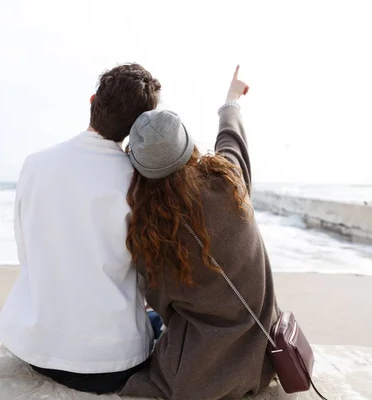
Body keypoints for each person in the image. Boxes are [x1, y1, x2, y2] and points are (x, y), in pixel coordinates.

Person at [0, 63, 161, 394]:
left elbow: (25, 248)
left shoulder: (35, 164)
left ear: (92, 100)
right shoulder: (137, 181)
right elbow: (145, 270)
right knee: (158, 322)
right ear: (139, 124)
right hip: (113, 361)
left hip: (37, 347)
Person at [119, 66, 278, 400]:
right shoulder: (229, 181)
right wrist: (231, 100)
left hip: (201, 374)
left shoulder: (152, 231)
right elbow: (231, 138)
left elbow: (162, 304)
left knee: (149, 324)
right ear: (188, 145)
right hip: (263, 359)